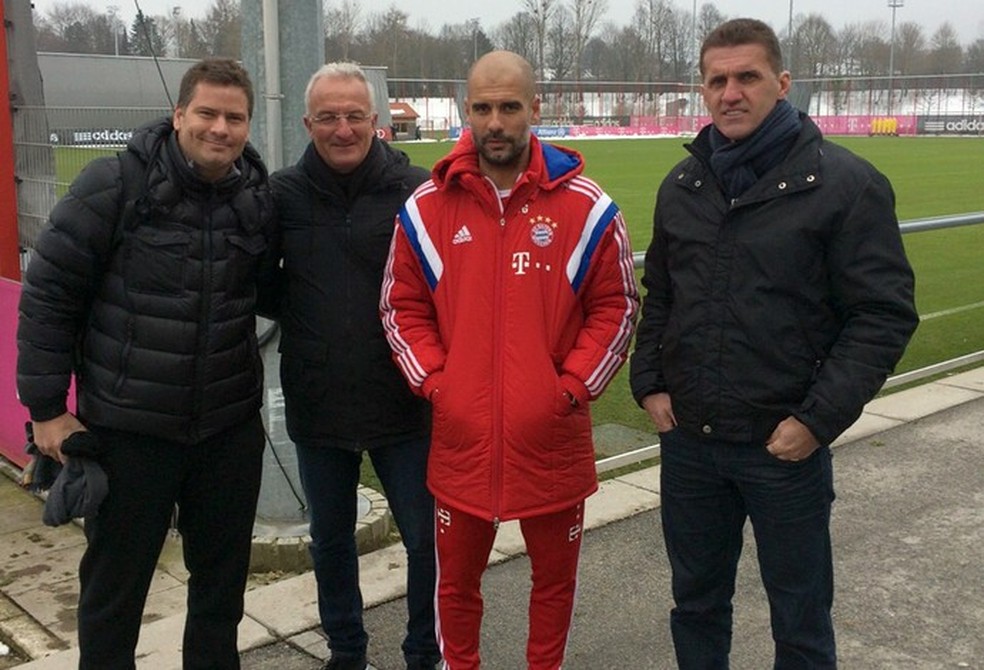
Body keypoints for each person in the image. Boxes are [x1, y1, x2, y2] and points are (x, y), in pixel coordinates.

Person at [629, 18, 919, 669]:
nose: (731, 92)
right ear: (702, 91)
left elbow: (883, 316)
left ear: (782, 83)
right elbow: (663, 295)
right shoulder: (685, 186)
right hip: (692, 447)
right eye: (717, 80)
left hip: (783, 451)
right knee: (696, 606)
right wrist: (649, 384)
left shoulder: (847, 185)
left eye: (747, 77)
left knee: (800, 617)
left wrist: (815, 422)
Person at [381, 50, 639, 670]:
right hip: (461, 443)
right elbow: (399, 307)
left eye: (509, 107)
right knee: (454, 588)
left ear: (535, 109)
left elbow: (619, 306)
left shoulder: (589, 208)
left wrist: (571, 387)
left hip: (551, 440)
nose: (495, 122)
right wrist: (440, 384)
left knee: (553, 588)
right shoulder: (425, 208)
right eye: (482, 108)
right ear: (466, 109)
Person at [16, 58, 273, 669]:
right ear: (179, 114)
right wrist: (47, 411)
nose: (220, 128)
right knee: (114, 594)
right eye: (207, 113)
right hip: (130, 433)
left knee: (221, 592)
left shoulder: (256, 198)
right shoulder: (113, 185)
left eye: (234, 118)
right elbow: (49, 295)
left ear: (247, 126)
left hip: (227, 431)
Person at [262, 63, 439, 670]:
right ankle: (346, 650)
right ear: (308, 122)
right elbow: (262, 286)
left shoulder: (416, 190)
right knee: (331, 542)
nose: (342, 129)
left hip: (404, 402)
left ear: (377, 122)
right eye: (329, 117)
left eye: (354, 116)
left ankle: (425, 649)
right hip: (318, 402)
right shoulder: (280, 195)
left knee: (426, 540)